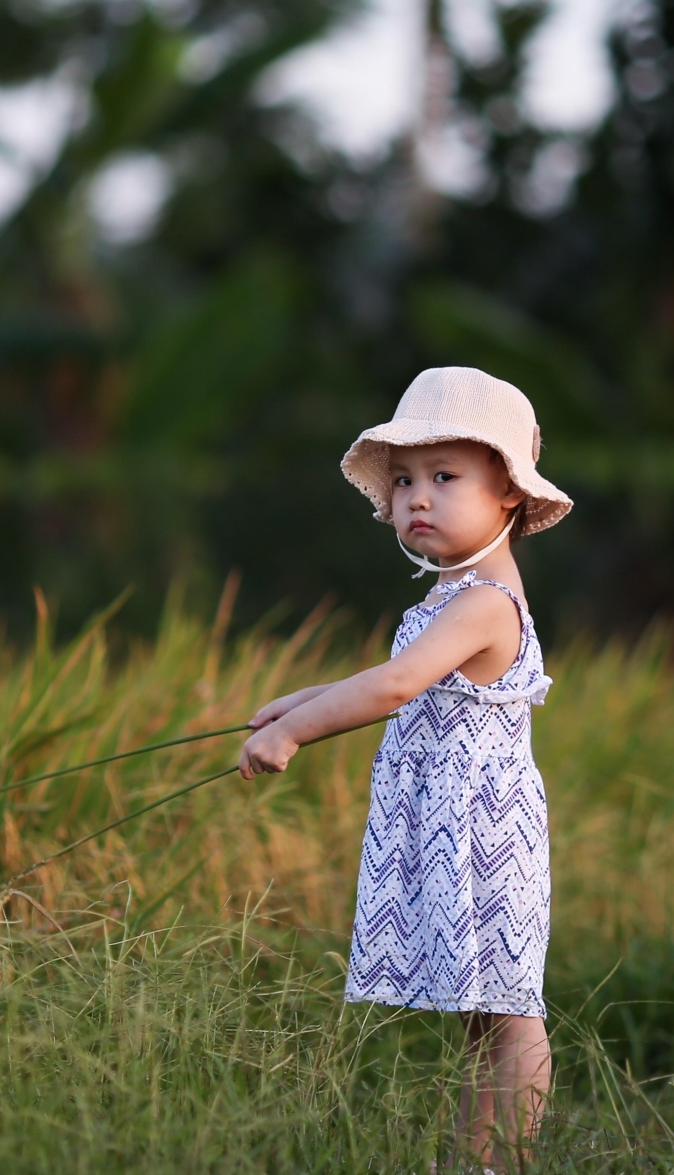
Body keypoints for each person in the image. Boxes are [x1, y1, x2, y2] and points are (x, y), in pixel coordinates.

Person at [238, 366, 572, 1172]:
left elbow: (393, 689)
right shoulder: (451, 598)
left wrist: (296, 736)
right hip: (449, 826)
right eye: (406, 480)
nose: (417, 497)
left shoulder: (485, 603)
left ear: (509, 497)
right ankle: (475, 1157)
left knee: (510, 1014)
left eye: (445, 477)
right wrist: (302, 701)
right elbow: (406, 686)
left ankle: (508, 1162)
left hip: (483, 833)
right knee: (478, 1016)